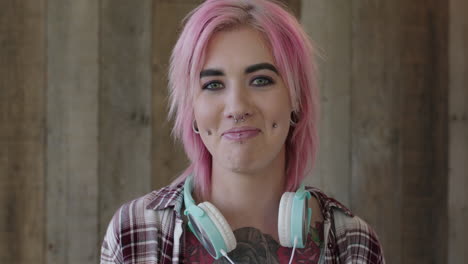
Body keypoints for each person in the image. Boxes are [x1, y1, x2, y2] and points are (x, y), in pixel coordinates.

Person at [101, 0, 385, 263]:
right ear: (192, 111)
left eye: (261, 80)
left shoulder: (353, 243)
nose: (237, 107)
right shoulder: (136, 234)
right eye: (213, 84)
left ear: (296, 97)